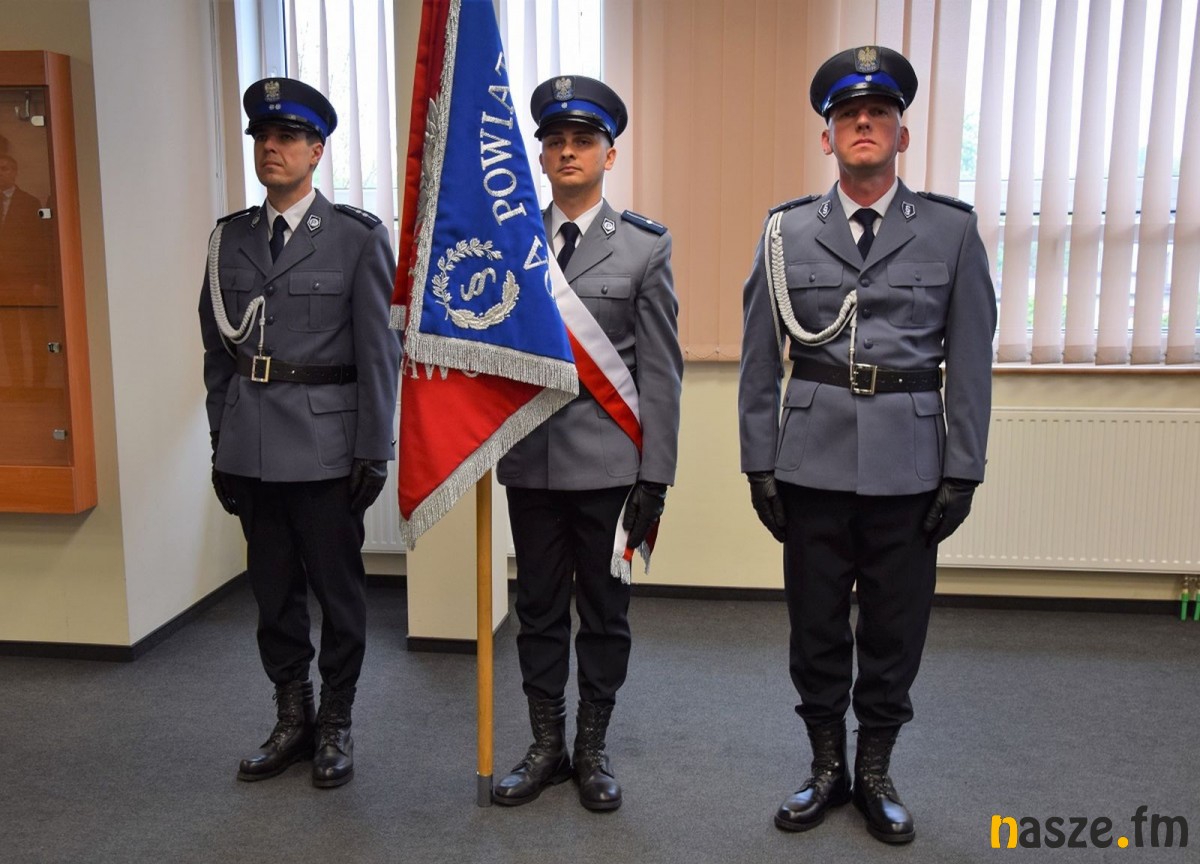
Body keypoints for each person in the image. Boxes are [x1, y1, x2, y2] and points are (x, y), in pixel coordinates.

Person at [738, 46, 996, 843]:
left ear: (901, 135)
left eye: (878, 113)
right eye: (847, 115)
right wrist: (758, 463)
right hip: (810, 464)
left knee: (893, 628)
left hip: (910, 469)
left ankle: (876, 771)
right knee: (815, 626)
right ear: (827, 138)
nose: (862, 124)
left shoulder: (951, 231)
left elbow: (971, 361)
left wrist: (964, 470)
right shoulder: (785, 232)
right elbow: (758, 360)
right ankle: (826, 768)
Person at [198, 77, 401, 789]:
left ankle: (337, 721)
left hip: (325, 451)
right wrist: (220, 442)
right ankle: (293, 716)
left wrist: (374, 449)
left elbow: (379, 353)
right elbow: (217, 355)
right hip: (250, 447)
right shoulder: (229, 238)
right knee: (273, 593)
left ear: (317, 151)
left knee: (339, 596)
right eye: (262, 136)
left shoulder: (356, 238)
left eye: (286, 137)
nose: (271, 148)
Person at [492, 75, 683, 812]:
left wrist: (655, 476)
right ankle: (546, 746)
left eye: (583, 140)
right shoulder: (510, 243)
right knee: (538, 611)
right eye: (556, 141)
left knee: (604, 614)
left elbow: (660, 373)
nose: (568, 151)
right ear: (541, 157)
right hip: (531, 463)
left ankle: (593, 748)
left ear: (610, 154)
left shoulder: (643, 247)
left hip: (609, 469)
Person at [0, 154, 49, 288]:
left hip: (19, 275)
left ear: (15, 172)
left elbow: (38, 242)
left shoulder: (30, 203)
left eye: (4, 169)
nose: (0, 173)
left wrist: (38, 280)